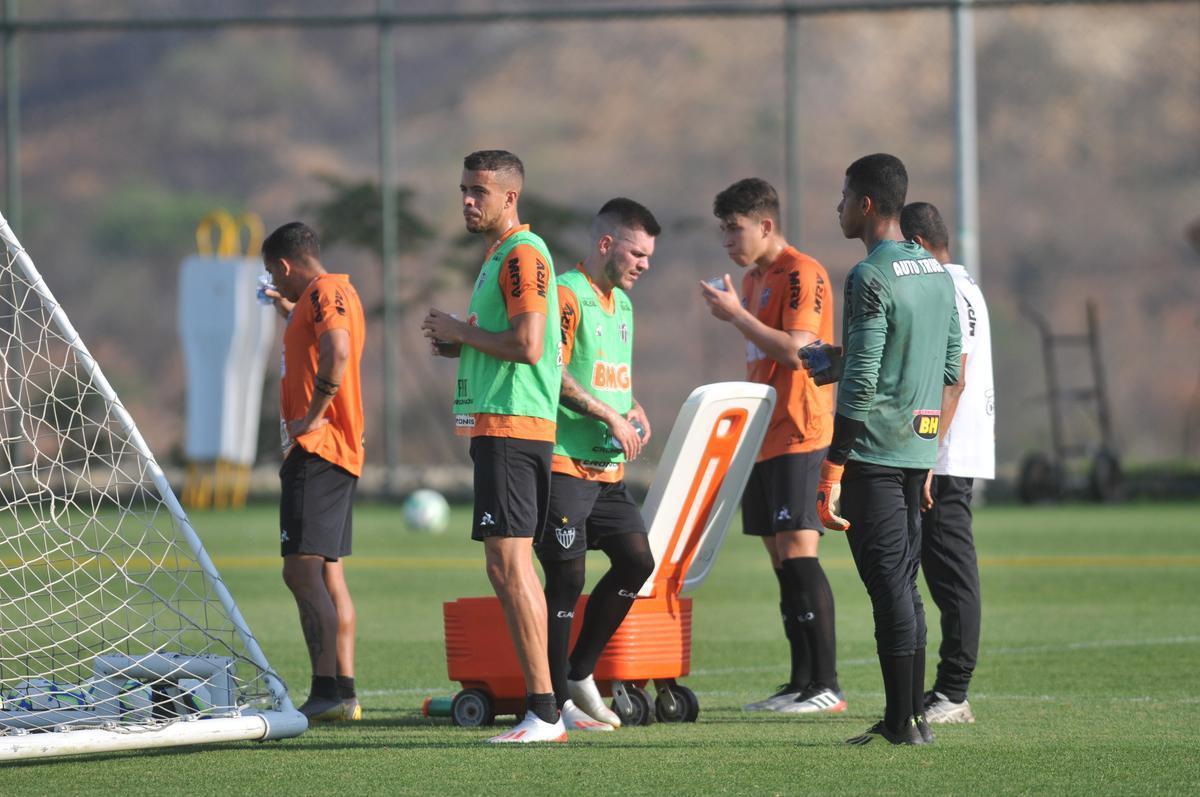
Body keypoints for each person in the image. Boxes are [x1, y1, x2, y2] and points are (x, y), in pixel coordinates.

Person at [803, 154, 961, 745]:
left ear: (866, 204)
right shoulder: (936, 274)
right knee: (904, 583)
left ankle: (903, 723)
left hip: (872, 454)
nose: (838, 206)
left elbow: (867, 380)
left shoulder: (869, 275)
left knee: (889, 586)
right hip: (916, 451)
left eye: (843, 196)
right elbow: (944, 369)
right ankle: (910, 716)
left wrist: (834, 462)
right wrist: (927, 454)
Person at [421, 150, 565, 743]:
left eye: (479, 191)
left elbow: (530, 344)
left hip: (513, 427)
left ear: (510, 197)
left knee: (509, 566)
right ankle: (547, 704)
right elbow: (507, 338)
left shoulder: (522, 254)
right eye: (463, 189)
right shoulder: (495, 259)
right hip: (499, 429)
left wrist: (460, 331)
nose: (467, 200)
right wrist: (463, 343)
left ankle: (545, 709)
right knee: (509, 567)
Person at [700, 178, 845, 715]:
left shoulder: (803, 273)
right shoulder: (754, 278)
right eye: (722, 230)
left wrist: (736, 315)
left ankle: (828, 686)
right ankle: (800, 681)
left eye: (734, 228)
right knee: (779, 558)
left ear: (765, 225)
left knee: (798, 552)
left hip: (803, 429)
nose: (727, 240)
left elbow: (798, 354)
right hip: (763, 436)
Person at [536, 198, 660, 732]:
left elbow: (609, 375)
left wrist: (631, 408)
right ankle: (552, 699)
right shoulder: (566, 294)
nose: (644, 264)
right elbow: (552, 374)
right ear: (606, 243)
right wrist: (609, 414)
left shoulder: (624, 305)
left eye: (650, 255)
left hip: (608, 471)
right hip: (564, 462)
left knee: (637, 561)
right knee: (567, 581)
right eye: (637, 252)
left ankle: (580, 671)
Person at [261, 221, 366, 722]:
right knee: (327, 574)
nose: (277, 285)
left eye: (274, 275)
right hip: (332, 452)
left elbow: (338, 351)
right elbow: (319, 341)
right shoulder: (322, 297)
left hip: (319, 449)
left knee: (300, 571)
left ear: (284, 265)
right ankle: (342, 689)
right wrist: (289, 311)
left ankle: (329, 691)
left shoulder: (325, 292)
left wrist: (313, 415)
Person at [900, 201, 994, 724]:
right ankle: (943, 690)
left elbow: (949, 377)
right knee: (940, 570)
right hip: (952, 448)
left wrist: (929, 452)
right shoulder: (966, 286)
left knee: (952, 574)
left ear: (914, 243)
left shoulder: (945, 291)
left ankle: (954, 693)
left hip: (945, 453)